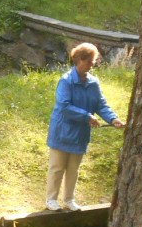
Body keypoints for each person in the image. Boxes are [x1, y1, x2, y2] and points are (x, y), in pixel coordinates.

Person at [45, 42, 125, 212]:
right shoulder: (66, 81)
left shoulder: (93, 83)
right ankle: (51, 199)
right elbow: (64, 106)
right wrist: (86, 116)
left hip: (80, 133)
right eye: (89, 61)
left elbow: (101, 104)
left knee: (73, 169)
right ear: (80, 60)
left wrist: (112, 119)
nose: (92, 65)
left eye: (92, 61)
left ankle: (69, 199)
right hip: (62, 131)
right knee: (57, 167)